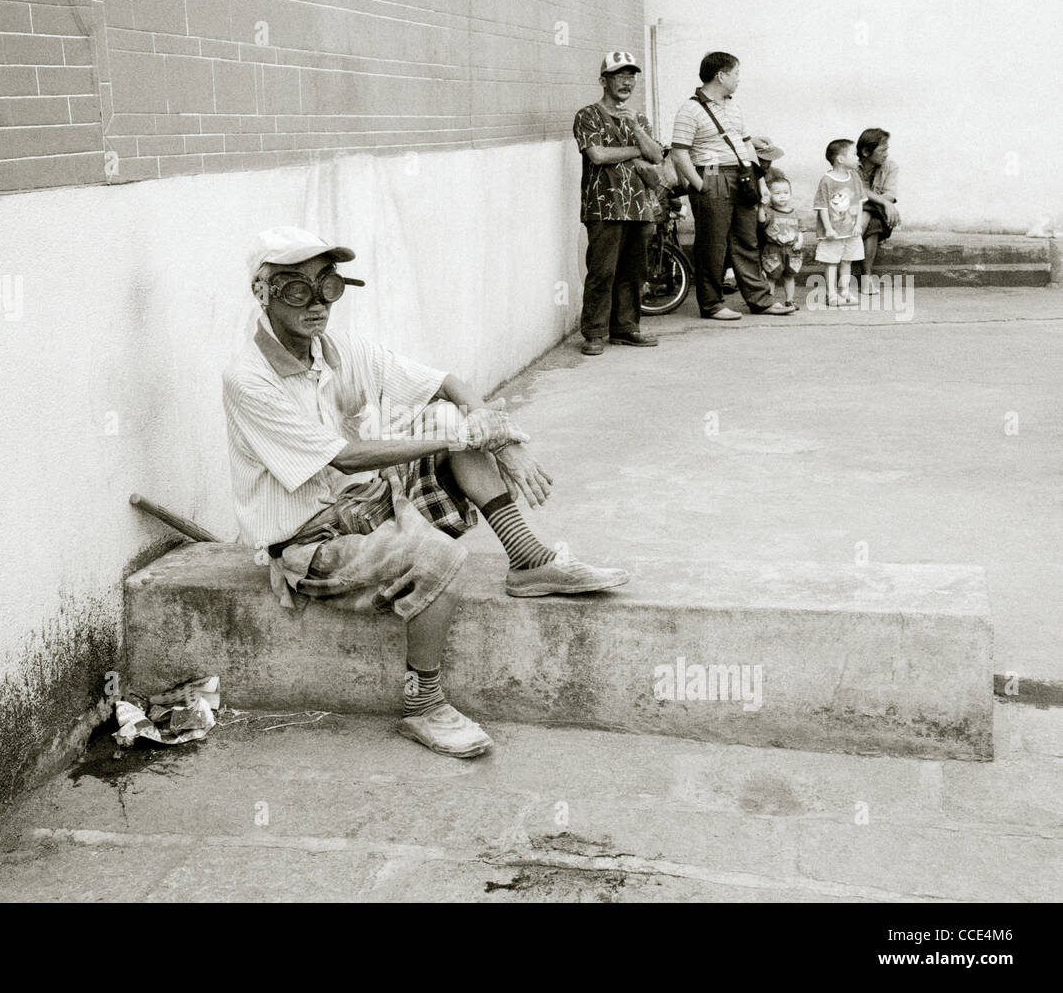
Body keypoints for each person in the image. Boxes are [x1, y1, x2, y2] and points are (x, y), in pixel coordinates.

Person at [222, 226, 631, 759]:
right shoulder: (248, 379)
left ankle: (527, 560)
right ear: (263, 294)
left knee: (445, 412)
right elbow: (341, 456)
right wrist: (467, 434)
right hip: (308, 542)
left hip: (362, 502)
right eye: (296, 289)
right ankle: (425, 703)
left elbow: (441, 381)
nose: (318, 303)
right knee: (439, 554)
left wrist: (488, 424)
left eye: (328, 286)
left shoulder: (334, 349)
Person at [669, 52, 796, 320]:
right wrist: (701, 185)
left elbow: (746, 144)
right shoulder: (689, 110)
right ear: (721, 75)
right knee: (712, 245)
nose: (739, 79)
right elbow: (679, 153)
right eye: (736, 73)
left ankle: (760, 300)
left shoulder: (734, 107)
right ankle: (712, 304)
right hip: (711, 175)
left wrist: (760, 181)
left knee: (747, 240)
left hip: (742, 176)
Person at [572, 50, 664, 355]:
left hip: (639, 206)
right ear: (603, 80)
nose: (627, 82)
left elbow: (656, 155)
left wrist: (636, 130)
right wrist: (634, 150)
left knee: (633, 272)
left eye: (631, 76)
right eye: (620, 76)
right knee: (602, 271)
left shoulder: (638, 118)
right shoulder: (587, 115)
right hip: (603, 206)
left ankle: (625, 329)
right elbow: (597, 156)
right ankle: (594, 333)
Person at [813, 139, 866, 306]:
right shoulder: (827, 180)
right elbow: (821, 206)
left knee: (847, 261)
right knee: (831, 262)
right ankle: (831, 294)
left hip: (851, 230)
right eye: (854, 154)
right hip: (834, 232)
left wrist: (858, 224)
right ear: (840, 159)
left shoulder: (855, 177)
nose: (858, 158)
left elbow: (859, 202)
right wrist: (828, 228)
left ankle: (844, 291)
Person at [855, 128, 900, 295]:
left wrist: (884, 203)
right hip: (853, 215)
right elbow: (856, 193)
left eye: (887, 149)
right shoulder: (851, 167)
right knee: (870, 220)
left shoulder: (891, 166)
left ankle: (863, 277)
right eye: (882, 150)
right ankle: (866, 278)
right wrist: (883, 202)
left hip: (876, 215)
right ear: (866, 152)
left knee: (871, 216)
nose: (886, 154)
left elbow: (890, 194)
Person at [760, 171, 804, 308]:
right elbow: (761, 221)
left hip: (791, 250)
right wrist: (761, 206)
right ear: (770, 194)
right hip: (773, 249)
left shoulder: (795, 213)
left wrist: (800, 241)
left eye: (785, 192)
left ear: (790, 193)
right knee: (771, 276)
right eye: (777, 193)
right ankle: (769, 301)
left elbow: (800, 230)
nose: (782, 196)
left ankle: (790, 300)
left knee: (790, 276)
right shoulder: (769, 211)